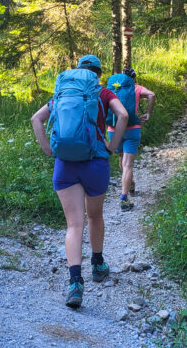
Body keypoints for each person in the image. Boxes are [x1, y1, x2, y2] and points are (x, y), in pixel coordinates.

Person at [30, 54, 128, 309]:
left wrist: (48, 150)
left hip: (65, 165)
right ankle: (97, 264)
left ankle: (75, 283)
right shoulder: (104, 93)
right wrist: (113, 146)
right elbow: (124, 116)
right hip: (95, 163)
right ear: (97, 73)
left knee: (74, 225)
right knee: (94, 216)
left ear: (78, 72)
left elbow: (36, 119)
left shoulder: (63, 94)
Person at [106, 67, 155, 211]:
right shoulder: (136, 88)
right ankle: (124, 197)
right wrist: (148, 113)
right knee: (128, 165)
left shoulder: (112, 89)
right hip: (132, 128)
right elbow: (152, 95)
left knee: (122, 159)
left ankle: (129, 183)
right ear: (133, 78)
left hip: (114, 130)